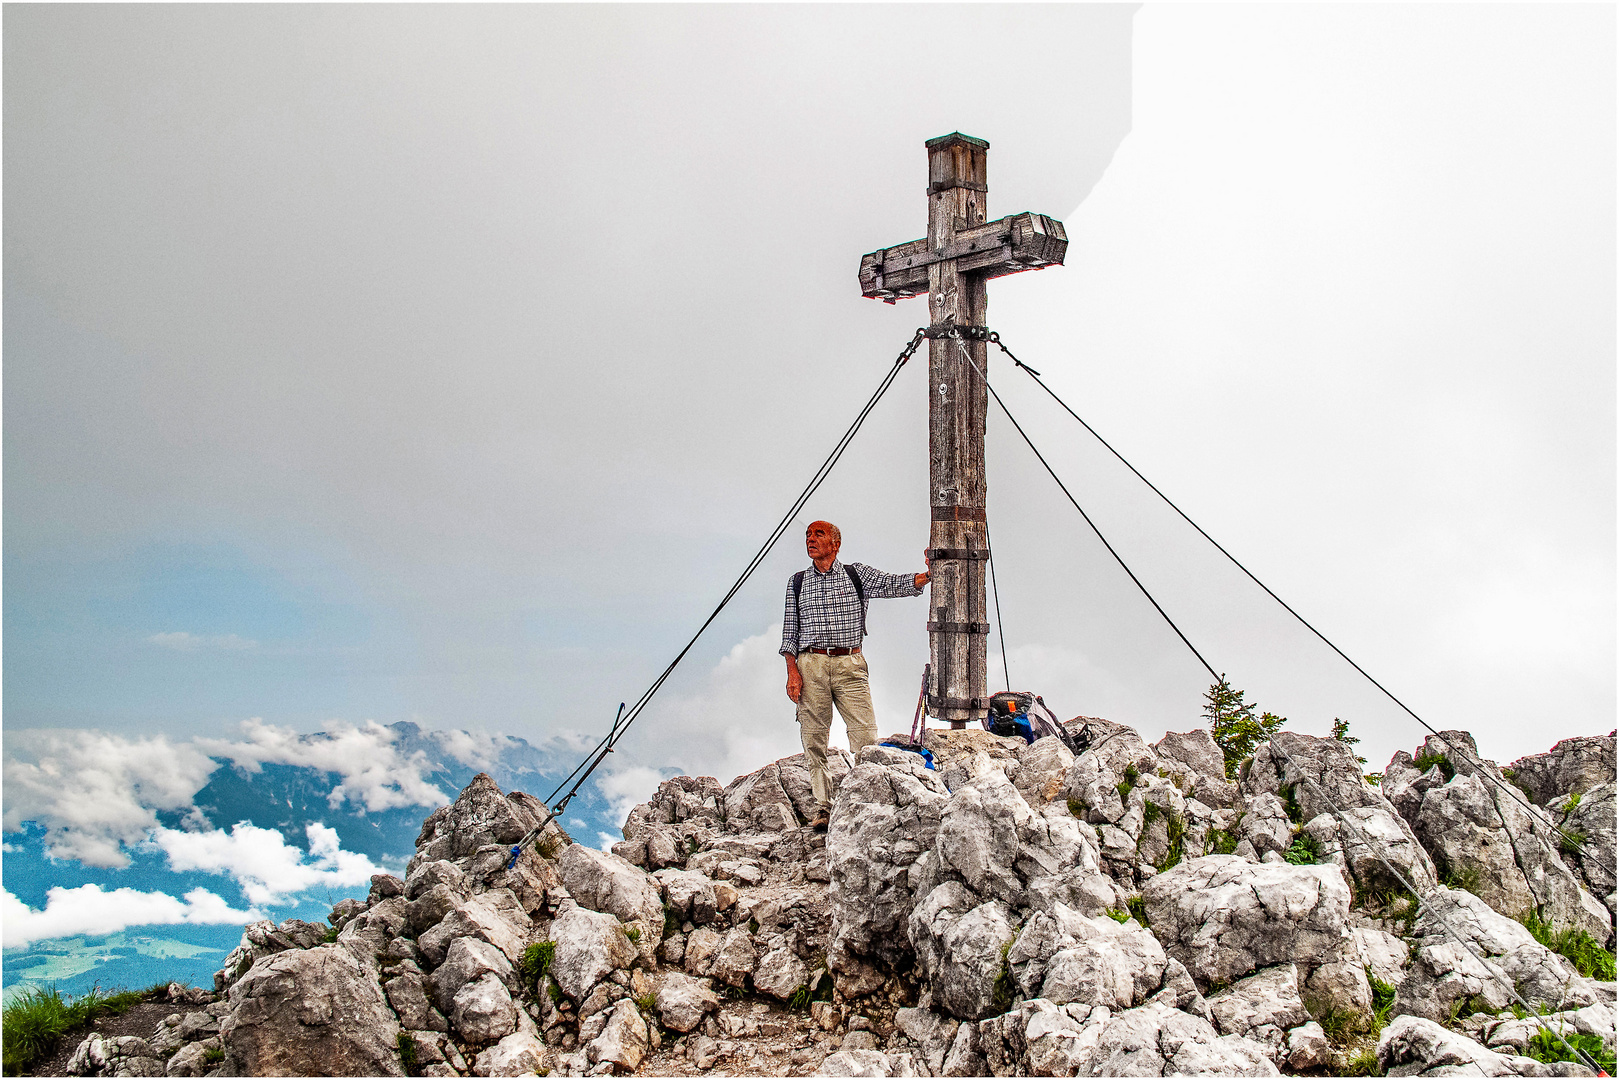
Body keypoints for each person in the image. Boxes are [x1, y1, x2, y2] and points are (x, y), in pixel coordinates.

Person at [781, 520, 930, 830]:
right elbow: (789, 634)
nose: (811, 539)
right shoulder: (797, 583)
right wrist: (792, 673)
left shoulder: (855, 574)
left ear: (835, 544)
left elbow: (891, 584)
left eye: (818, 534)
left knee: (865, 735)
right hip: (812, 665)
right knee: (814, 738)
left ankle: (864, 801)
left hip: (850, 662)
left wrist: (926, 576)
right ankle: (823, 806)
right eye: (808, 535)